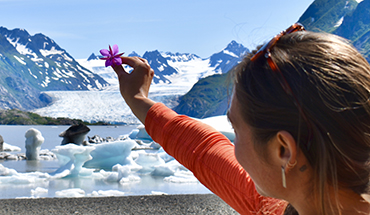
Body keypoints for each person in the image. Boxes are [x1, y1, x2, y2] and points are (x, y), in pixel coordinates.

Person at [110, 23, 370, 214]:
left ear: (283, 151)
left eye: (236, 128)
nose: (233, 145)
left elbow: (206, 153)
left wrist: (138, 100)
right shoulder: (287, 200)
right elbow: (204, 150)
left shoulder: (271, 208)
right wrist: (140, 101)